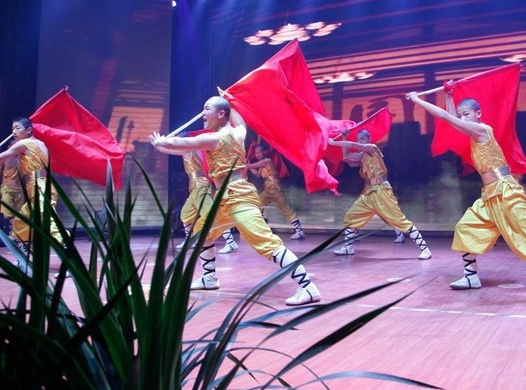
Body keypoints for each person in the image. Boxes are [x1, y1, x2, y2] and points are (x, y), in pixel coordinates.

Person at [407, 88, 526, 302]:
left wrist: (417, 100)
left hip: (506, 192)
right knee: (467, 228)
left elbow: (447, 117)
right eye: (461, 115)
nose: (462, 118)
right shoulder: (472, 132)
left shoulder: (482, 130)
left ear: (478, 114)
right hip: (489, 195)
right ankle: (471, 276)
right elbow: (452, 120)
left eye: (466, 114)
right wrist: (449, 95)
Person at [149, 96, 321, 306]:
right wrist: (231, 99)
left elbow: (182, 143)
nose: (203, 114)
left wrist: (161, 142)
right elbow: (239, 122)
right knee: (200, 233)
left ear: (221, 114)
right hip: (223, 200)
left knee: (267, 243)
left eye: (207, 109)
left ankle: (308, 287)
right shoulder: (238, 132)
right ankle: (209, 278)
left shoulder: (216, 138)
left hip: (239, 198)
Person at [0, 117, 65, 262]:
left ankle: (71, 263)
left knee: (50, 225)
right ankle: (22, 260)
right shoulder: (40, 144)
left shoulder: (24, 144)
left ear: (29, 130)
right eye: (12, 128)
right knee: (21, 222)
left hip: (40, 188)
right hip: (39, 187)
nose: (14, 132)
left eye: (17, 128)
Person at [327, 129, 432, 260]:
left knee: (399, 220)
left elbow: (354, 146)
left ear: (369, 139)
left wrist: (334, 143)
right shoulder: (363, 155)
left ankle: (425, 249)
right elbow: (347, 155)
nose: (360, 141)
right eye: (358, 139)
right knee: (351, 216)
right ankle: (348, 247)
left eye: (362, 139)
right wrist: (344, 138)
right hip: (368, 192)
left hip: (381, 190)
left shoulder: (372, 148)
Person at [245, 144, 306, 240]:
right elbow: (257, 175)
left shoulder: (266, 161)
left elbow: (249, 166)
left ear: (265, 152)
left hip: (273, 189)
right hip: (271, 189)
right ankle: (299, 231)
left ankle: (260, 231)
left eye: (260, 152)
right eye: (256, 153)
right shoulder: (262, 164)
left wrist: (246, 164)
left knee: (260, 205)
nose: (258, 154)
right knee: (261, 206)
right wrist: (248, 166)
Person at [0, 142, 23, 232]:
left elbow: (26, 175)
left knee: (19, 213)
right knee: (7, 213)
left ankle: (16, 234)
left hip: (20, 189)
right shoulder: (3, 158)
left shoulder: (22, 158)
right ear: (9, 147)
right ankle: (7, 233)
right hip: (7, 188)